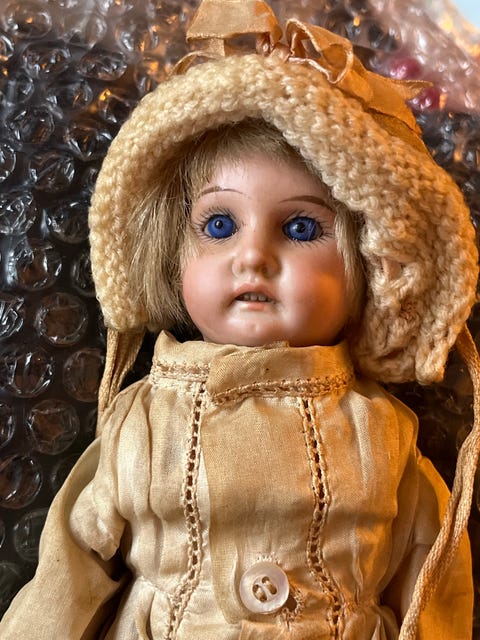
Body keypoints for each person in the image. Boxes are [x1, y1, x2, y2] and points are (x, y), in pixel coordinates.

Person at [1, 1, 478, 638]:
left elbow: (431, 576)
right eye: (220, 225)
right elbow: (72, 566)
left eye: (301, 228)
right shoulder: (141, 420)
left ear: (373, 264)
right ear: (170, 252)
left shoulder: (383, 430)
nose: (253, 255)